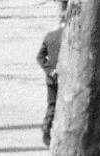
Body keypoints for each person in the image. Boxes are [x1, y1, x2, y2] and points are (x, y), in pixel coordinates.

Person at [37, 17, 64, 146]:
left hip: (52, 78)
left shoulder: (50, 36)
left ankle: (47, 127)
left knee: (52, 105)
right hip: (68, 78)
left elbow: (40, 56)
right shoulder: (73, 36)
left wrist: (50, 70)